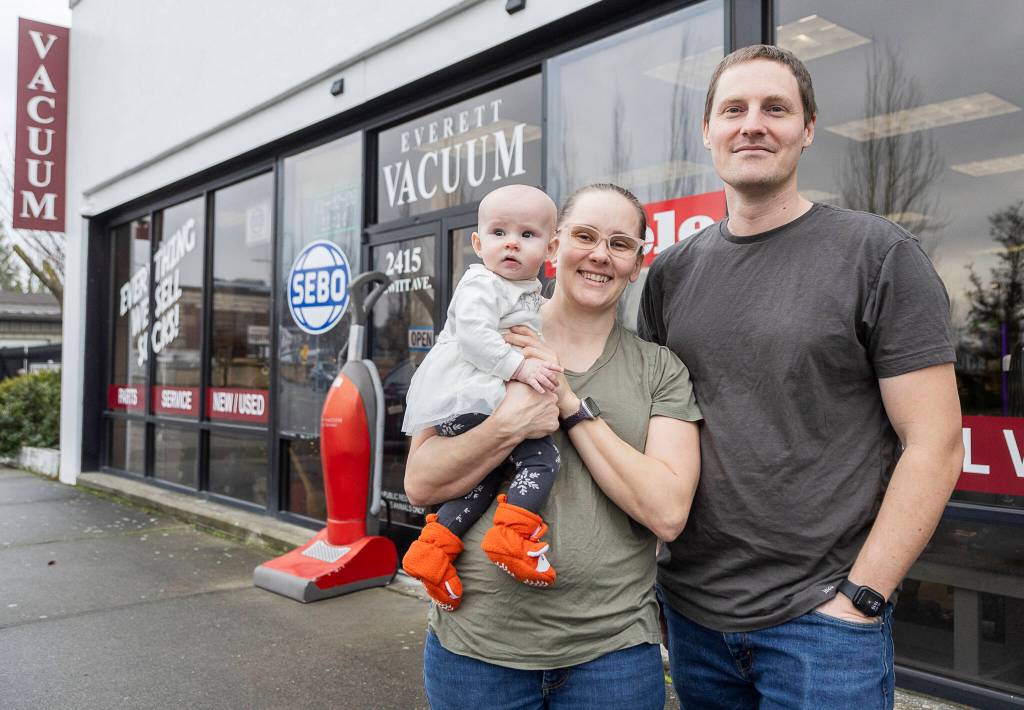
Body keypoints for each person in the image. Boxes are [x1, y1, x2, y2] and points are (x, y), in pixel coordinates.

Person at [638, 44, 964, 708]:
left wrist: (864, 595)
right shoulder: (671, 273)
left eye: (775, 108)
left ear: (808, 128)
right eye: (734, 109)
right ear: (708, 131)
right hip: (694, 618)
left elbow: (934, 443)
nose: (752, 124)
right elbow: (650, 428)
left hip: (822, 628)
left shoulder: (877, 255)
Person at [404, 183, 702, 710]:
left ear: (637, 263)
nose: (599, 255)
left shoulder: (660, 370)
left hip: (610, 655)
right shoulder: (480, 341)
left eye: (620, 243)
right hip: (476, 649)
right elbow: (422, 483)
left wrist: (566, 400)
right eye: (584, 236)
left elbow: (668, 513)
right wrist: (508, 427)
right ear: (556, 247)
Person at [401, 184, 565, 610]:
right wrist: (521, 368)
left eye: (527, 235)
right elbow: (474, 336)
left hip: (472, 400)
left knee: (483, 476)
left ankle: (434, 548)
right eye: (498, 233)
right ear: (477, 243)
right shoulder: (482, 283)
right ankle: (514, 535)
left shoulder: (524, 290)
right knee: (541, 459)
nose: (511, 242)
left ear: (550, 249)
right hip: (472, 396)